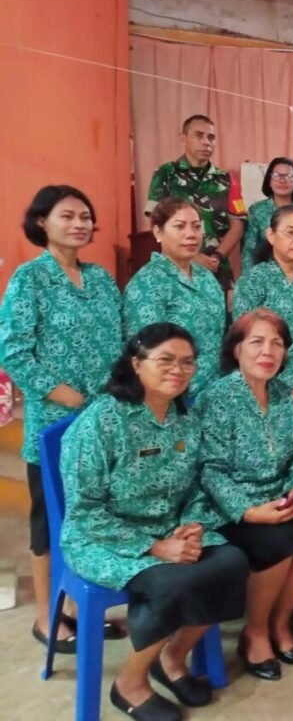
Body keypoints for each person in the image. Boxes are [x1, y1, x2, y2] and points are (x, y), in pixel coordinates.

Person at [60, 323, 248, 721]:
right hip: (102, 538)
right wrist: (156, 547)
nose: (177, 370)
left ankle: (172, 658)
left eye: (187, 362)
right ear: (136, 363)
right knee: (171, 582)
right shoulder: (102, 422)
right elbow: (85, 511)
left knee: (232, 562)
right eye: (165, 360)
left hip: (167, 527)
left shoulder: (185, 419)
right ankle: (129, 684)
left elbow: (195, 485)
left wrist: (192, 525)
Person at [0, 185, 123, 653]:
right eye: (67, 216)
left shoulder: (101, 279)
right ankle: (47, 618)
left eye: (85, 216)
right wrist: (60, 392)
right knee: (51, 521)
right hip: (54, 424)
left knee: (91, 517)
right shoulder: (30, 278)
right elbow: (12, 349)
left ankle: (80, 609)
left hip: (102, 423)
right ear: (42, 223)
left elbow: (122, 342)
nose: (79, 224)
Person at [193, 310, 293, 679]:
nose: (267, 351)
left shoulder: (284, 395)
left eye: (277, 344)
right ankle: (254, 632)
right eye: (256, 342)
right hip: (228, 506)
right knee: (275, 544)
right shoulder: (216, 399)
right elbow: (210, 469)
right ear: (236, 349)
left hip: (279, 496)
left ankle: (280, 622)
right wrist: (249, 511)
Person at [124, 197, 226, 394]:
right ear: (158, 232)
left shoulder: (205, 276)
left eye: (196, 227)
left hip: (214, 389)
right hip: (175, 392)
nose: (191, 234)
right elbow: (147, 353)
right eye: (179, 226)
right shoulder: (148, 282)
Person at [233, 206, 293, 407]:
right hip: (267, 389)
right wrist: (281, 388)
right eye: (291, 233)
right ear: (271, 235)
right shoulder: (254, 280)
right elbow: (243, 341)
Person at [145, 114, 246, 291]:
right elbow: (155, 220)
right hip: (176, 268)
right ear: (183, 139)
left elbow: (237, 225)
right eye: (199, 136)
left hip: (217, 268)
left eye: (211, 137)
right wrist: (192, 256)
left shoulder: (227, 180)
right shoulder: (166, 173)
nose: (206, 142)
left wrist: (217, 256)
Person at [241, 158, 293, 281]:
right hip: (266, 278)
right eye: (277, 175)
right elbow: (249, 251)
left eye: (289, 176)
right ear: (269, 180)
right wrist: (249, 280)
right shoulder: (257, 211)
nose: (283, 180)